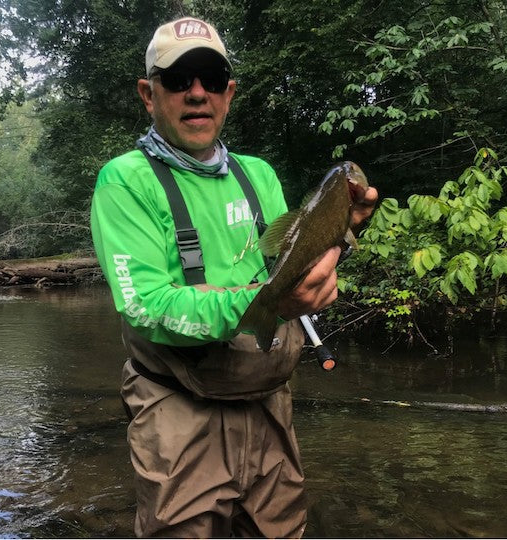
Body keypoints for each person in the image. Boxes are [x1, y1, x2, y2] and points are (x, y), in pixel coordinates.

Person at [90, 16, 378, 538]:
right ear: (148, 94)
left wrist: (340, 237)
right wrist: (265, 305)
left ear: (229, 91)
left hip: (269, 402)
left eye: (211, 78)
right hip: (176, 411)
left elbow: (295, 268)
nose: (197, 93)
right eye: (178, 79)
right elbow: (146, 306)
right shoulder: (124, 181)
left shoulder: (259, 174)